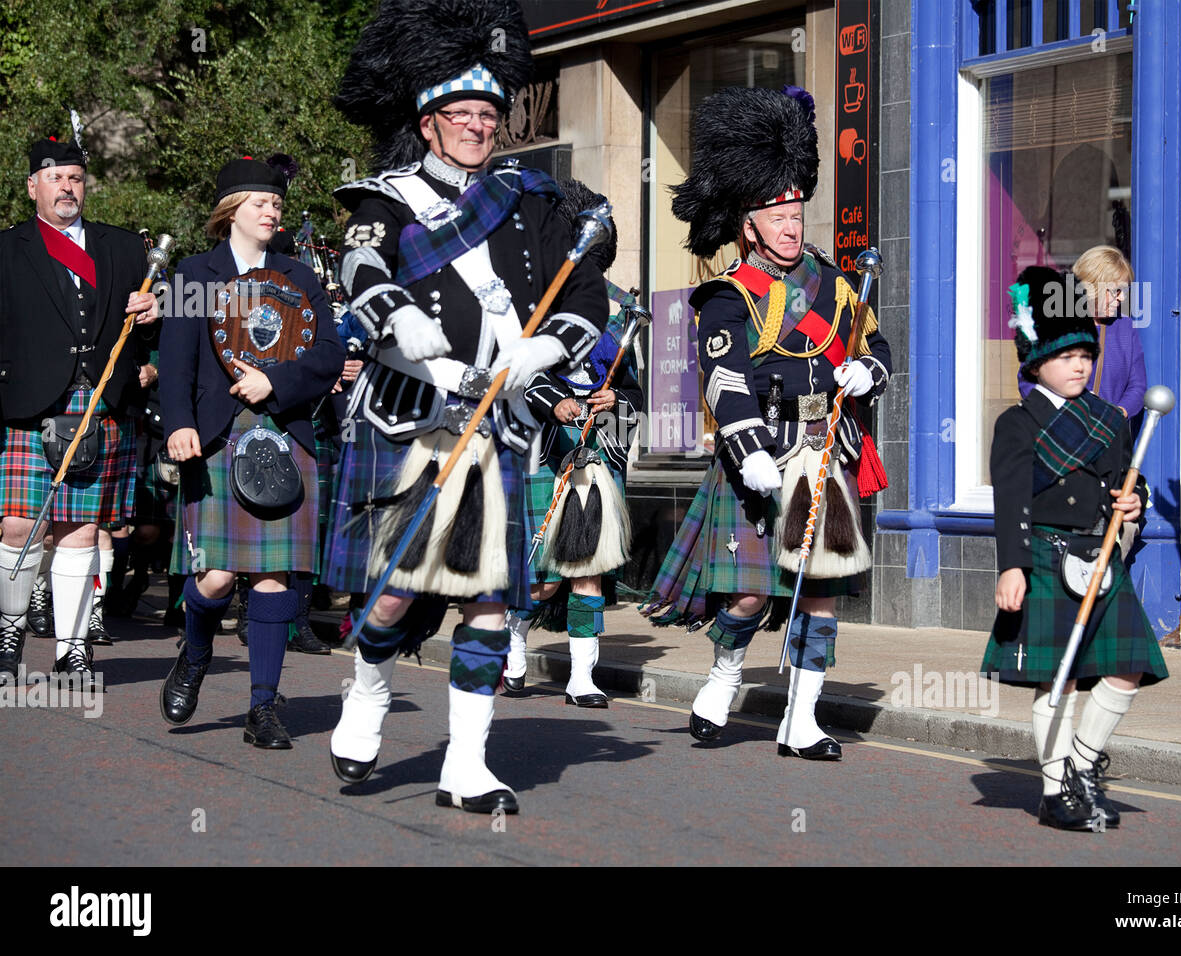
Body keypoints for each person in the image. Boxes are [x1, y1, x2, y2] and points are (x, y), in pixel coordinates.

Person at [326, 0, 608, 814]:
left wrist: (547, 348)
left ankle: (467, 764)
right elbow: (359, 270)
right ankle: (369, 688)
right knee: (393, 595)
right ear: (429, 122)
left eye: (490, 114)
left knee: (490, 600)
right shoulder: (384, 200)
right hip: (411, 417)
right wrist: (398, 315)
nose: (480, 127)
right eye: (463, 114)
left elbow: (586, 295)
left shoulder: (533, 201)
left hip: (500, 423)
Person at [641, 86, 891, 760]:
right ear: (748, 223)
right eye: (775, 212)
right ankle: (724, 675)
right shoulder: (728, 295)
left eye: (796, 207)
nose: (790, 222)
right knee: (752, 597)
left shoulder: (839, 286)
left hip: (824, 448)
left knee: (822, 596)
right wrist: (748, 448)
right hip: (759, 453)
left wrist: (868, 371)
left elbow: (876, 346)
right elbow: (724, 378)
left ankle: (801, 720)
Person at [158, 156, 344, 748]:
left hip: (283, 437)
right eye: (261, 202)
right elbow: (176, 364)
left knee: (272, 576)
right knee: (213, 578)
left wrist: (276, 383)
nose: (272, 211)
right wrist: (178, 425)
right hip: (215, 438)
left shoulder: (300, 274)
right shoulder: (195, 274)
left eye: (276, 204)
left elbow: (329, 356)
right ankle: (195, 651)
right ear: (230, 211)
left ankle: (262, 706)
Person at [982, 266, 1166, 832]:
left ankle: (1081, 767)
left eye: (1086, 354)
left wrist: (1136, 506)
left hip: (1100, 559)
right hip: (1042, 556)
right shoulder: (1017, 424)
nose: (1080, 365)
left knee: (1128, 667)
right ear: (1037, 363)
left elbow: (1126, 488)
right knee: (1055, 678)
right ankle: (1056, 790)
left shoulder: (1111, 420)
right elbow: (1011, 500)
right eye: (1066, 356)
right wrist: (1011, 566)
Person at [0, 137, 159, 685]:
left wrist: (154, 310)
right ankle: (10, 629)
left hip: (98, 402)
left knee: (79, 531)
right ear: (32, 187)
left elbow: (170, 313)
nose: (67, 187)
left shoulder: (123, 248)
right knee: (19, 527)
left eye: (75, 178)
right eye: (55, 178)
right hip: (27, 401)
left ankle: (71, 649)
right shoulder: (7, 248)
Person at [503, 178, 643, 705]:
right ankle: (514, 650)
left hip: (598, 449)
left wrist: (618, 406)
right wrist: (553, 401)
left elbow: (633, 389)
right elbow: (516, 371)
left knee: (588, 570)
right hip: (545, 442)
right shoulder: (537, 299)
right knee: (541, 578)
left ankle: (582, 677)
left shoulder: (623, 308)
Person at [1017, 245, 1147, 420]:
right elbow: (1028, 380)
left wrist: (1118, 413)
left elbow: (1137, 386)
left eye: (1124, 291)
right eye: (1116, 291)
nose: (1122, 298)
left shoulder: (1125, 327)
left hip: (1109, 435)